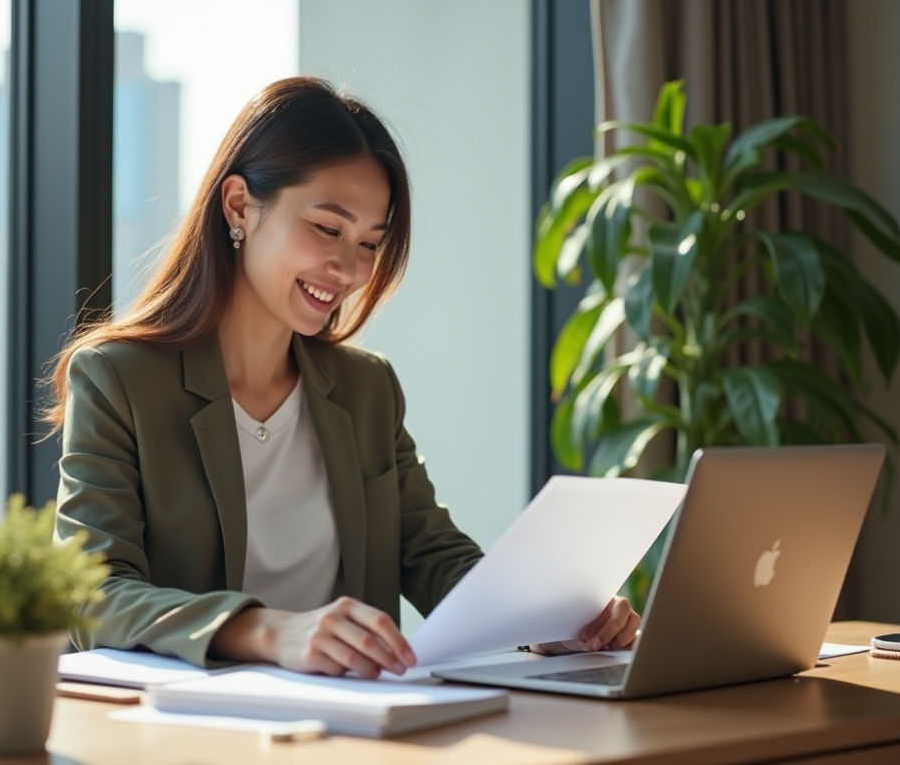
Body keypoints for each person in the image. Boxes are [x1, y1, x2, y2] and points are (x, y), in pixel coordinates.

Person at [49, 77, 639, 679]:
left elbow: (432, 554)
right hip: (196, 729)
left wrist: (544, 619)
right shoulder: (119, 379)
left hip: (358, 724)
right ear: (238, 206)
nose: (349, 268)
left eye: (370, 243)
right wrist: (268, 629)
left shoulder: (367, 389)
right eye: (328, 229)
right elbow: (90, 594)